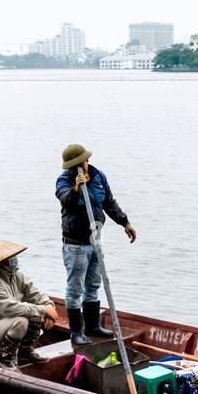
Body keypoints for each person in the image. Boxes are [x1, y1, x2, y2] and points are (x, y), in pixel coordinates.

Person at [55, 143, 137, 346]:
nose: (80, 167)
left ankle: (92, 326)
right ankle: (76, 332)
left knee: (93, 284)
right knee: (75, 289)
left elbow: (108, 201)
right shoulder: (64, 180)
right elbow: (65, 199)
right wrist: (76, 189)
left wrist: (124, 222)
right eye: (74, 166)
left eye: (81, 162)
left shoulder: (98, 175)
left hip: (96, 241)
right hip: (75, 245)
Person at [0, 239, 58, 370]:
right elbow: (9, 308)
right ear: (0, 261)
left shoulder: (16, 275)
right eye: (10, 257)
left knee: (34, 314)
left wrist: (49, 305)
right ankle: (5, 359)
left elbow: (35, 293)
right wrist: (43, 310)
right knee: (21, 320)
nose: (14, 259)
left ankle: (25, 350)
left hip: (3, 324)